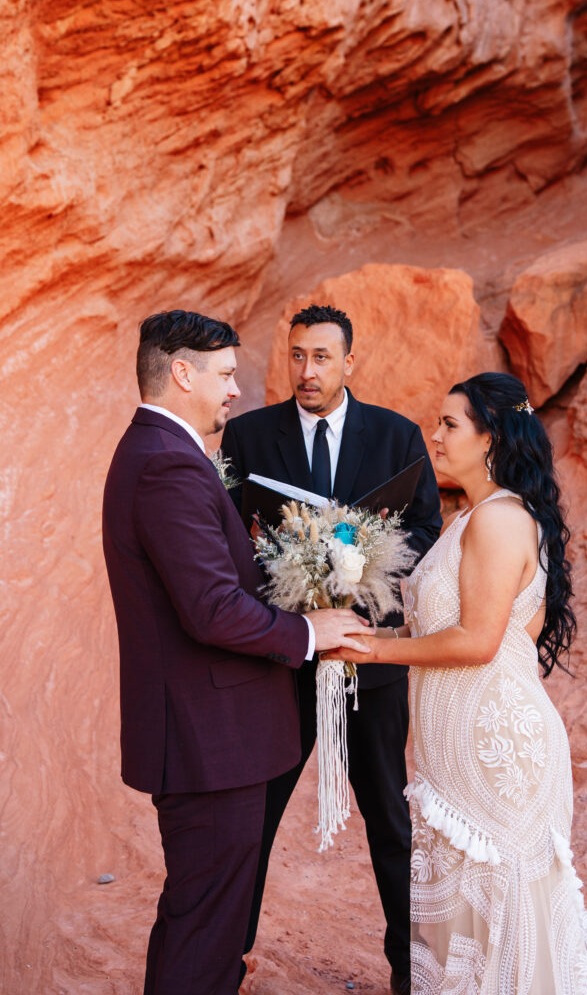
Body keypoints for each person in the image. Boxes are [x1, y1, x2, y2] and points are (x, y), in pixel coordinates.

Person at [326, 372, 587, 994]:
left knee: (508, 918)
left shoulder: (499, 520)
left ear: (491, 439)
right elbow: (495, 633)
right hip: (462, 746)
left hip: (496, 751)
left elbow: (480, 642)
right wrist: (350, 637)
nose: (434, 435)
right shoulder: (471, 518)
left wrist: (373, 652)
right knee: (477, 925)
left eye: (450, 424)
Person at [102, 309, 373, 995]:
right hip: (207, 741)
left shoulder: (162, 455)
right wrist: (313, 633)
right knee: (204, 926)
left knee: (206, 921)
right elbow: (211, 609)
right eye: (224, 375)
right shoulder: (165, 465)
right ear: (182, 372)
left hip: (210, 737)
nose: (233, 391)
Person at [222, 304, 442, 995]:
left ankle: (410, 973)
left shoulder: (397, 435)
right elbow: (227, 538)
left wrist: (364, 574)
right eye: (296, 356)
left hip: (368, 666)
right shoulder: (250, 435)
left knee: (388, 819)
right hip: (280, 662)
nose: (306, 371)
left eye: (320, 356)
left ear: (350, 362)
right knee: (251, 818)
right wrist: (294, 580)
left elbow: (426, 534)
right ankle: (227, 962)